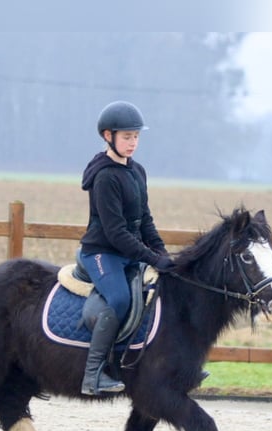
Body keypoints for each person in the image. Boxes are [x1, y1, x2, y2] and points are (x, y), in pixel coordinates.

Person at [78, 101, 174, 396]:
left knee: (167, 289)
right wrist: (150, 257)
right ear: (109, 136)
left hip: (127, 252)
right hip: (102, 253)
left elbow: (145, 220)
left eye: (136, 137)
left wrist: (163, 255)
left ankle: (176, 366)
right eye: (127, 137)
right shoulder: (105, 177)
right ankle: (93, 375)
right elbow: (116, 233)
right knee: (119, 299)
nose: (133, 143)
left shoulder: (137, 171)